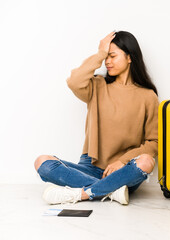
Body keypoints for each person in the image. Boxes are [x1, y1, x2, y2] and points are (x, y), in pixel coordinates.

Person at [34, 31, 159, 205]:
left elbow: (154, 142)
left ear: (129, 57)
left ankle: (82, 194)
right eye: (105, 57)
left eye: (112, 56)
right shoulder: (97, 86)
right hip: (89, 166)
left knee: (146, 161)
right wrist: (99, 54)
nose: (107, 62)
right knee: (43, 162)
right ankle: (111, 191)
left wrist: (122, 161)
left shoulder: (148, 96)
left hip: (123, 171)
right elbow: (74, 81)